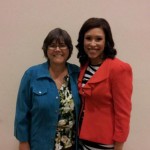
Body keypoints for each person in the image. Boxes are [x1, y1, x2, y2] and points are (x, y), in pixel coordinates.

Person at [14, 28, 81, 150]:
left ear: (69, 49)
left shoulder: (77, 74)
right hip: (40, 145)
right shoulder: (32, 75)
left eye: (62, 45)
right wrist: (23, 142)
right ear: (46, 49)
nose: (57, 49)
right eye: (52, 46)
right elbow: (22, 113)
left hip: (71, 146)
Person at [76, 18, 133, 150]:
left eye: (98, 39)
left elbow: (123, 112)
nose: (92, 43)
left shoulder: (119, 68)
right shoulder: (85, 65)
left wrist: (119, 145)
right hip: (82, 138)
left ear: (106, 41)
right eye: (88, 38)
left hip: (104, 142)